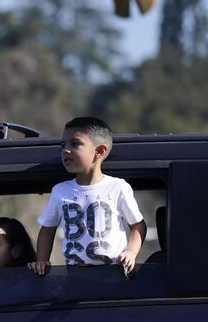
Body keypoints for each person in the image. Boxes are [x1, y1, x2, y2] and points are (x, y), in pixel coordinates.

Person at [28, 117, 146, 276]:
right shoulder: (60, 191)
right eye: (63, 145)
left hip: (114, 274)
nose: (66, 150)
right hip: (75, 276)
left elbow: (138, 226)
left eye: (75, 144)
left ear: (99, 151)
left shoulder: (117, 187)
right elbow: (47, 230)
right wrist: (42, 260)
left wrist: (131, 253)